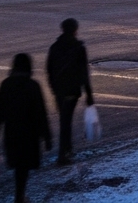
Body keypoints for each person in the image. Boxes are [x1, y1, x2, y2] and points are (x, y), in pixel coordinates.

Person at [0, 53, 52, 203]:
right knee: (23, 167)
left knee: (18, 167)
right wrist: (47, 137)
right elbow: (41, 114)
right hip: (30, 136)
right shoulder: (33, 86)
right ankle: (20, 197)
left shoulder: (6, 85)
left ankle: (20, 196)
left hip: (12, 134)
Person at [45, 18, 93, 166]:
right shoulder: (79, 47)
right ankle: (63, 154)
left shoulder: (54, 47)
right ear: (75, 30)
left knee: (64, 119)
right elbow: (84, 72)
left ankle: (67, 148)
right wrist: (89, 94)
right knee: (66, 120)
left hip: (59, 89)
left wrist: (53, 87)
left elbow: (49, 69)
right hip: (72, 89)